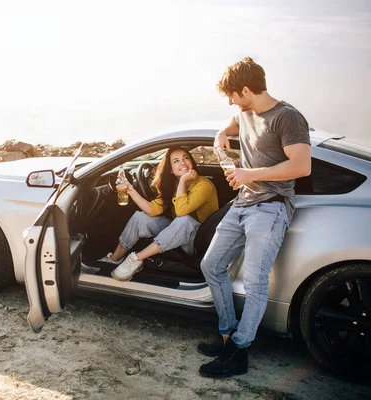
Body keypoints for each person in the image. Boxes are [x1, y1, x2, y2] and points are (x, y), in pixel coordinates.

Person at [198, 57, 311, 378]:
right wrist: (222, 134)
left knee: (255, 283)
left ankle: (239, 352)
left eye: (232, 95)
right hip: (243, 204)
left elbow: (302, 166)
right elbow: (233, 122)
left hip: (272, 207)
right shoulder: (246, 111)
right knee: (212, 265)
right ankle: (227, 334)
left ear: (247, 90)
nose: (230, 102)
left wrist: (249, 173)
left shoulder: (288, 118)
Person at [99, 147, 219, 281]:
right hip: (177, 233)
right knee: (141, 217)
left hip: (199, 241)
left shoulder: (204, 184)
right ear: (170, 170)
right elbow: (152, 209)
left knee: (185, 220)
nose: (183, 163)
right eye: (176, 161)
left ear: (192, 161)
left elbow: (181, 211)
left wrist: (183, 182)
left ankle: (136, 259)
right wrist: (131, 190)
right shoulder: (174, 185)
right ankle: (115, 258)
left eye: (186, 158)